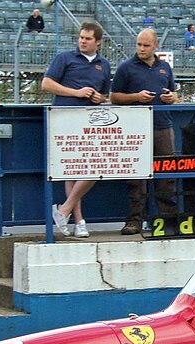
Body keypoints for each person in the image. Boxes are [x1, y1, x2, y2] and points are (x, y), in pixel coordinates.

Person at [41, 22, 111, 238]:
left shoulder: (104, 65)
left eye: (88, 38)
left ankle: (65, 209)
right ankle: (78, 220)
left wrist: (100, 98)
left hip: (90, 122)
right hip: (65, 119)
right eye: (81, 37)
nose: (83, 41)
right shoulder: (65, 58)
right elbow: (46, 84)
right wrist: (76, 92)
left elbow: (105, 95)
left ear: (97, 42)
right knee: (72, 170)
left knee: (92, 167)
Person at [111, 28, 179, 235]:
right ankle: (134, 220)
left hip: (163, 126)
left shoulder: (165, 67)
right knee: (136, 177)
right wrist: (136, 97)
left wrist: (172, 98)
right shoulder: (126, 68)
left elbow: (174, 92)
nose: (141, 48)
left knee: (167, 173)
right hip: (135, 129)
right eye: (139, 44)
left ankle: (167, 219)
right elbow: (114, 97)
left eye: (146, 45)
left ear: (155, 46)